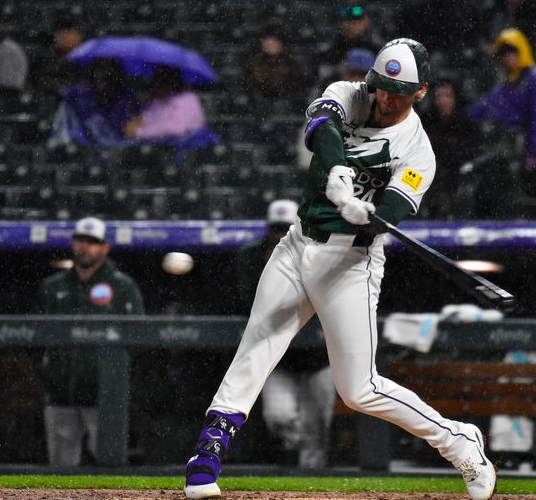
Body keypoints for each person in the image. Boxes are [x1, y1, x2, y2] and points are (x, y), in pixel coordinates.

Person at [183, 38, 496, 500]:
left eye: (400, 91)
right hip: (297, 244)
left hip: (351, 261)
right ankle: (207, 454)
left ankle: (458, 441)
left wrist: (370, 217)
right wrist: (336, 174)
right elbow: (323, 127)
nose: (387, 98)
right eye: (383, 87)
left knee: (359, 390)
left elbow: (393, 210)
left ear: (422, 91)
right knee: (258, 345)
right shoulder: (350, 92)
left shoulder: (419, 152)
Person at [234, 199, 335, 469]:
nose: (280, 235)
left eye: (285, 229)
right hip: (278, 357)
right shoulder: (251, 257)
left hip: (319, 357)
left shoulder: (319, 253)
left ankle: (310, 490)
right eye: (275, 229)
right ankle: (289, 475)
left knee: (317, 431)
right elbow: (247, 301)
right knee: (278, 418)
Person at [37, 217, 145, 466]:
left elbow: (139, 338)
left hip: (105, 395)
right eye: (80, 241)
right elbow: (37, 337)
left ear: (105, 247)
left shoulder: (123, 287)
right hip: (60, 392)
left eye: (92, 242)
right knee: (61, 472)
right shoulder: (53, 287)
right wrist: (48, 371)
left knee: (111, 469)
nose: (84, 247)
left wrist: (115, 378)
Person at [466, 28, 536, 217]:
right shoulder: (507, 85)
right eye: (502, 53)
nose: (507, 57)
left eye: (511, 51)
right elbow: (482, 109)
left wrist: (535, 152)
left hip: (524, 152)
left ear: (522, 50)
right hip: (501, 148)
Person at [47, 57, 140, 148]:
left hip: (110, 148)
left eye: (110, 68)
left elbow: (131, 130)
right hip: (82, 148)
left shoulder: (127, 100)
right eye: (101, 67)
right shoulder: (77, 98)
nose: (106, 72)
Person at [421, 80, 480, 219]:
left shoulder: (465, 123)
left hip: (457, 172)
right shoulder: (425, 120)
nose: (442, 101)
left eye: (447, 96)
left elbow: (472, 150)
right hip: (426, 171)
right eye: (439, 96)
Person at [394, 0, 479, 58]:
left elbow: (474, 35)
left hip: (462, 59)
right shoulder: (424, 9)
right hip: (430, 57)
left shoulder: (468, 10)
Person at [124, 65, 206, 140]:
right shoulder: (156, 102)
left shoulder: (188, 99)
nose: (157, 86)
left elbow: (175, 129)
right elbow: (144, 121)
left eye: (163, 82)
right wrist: (136, 124)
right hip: (156, 147)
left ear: (174, 82)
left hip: (185, 149)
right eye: (155, 81)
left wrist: (139, 132)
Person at [314, 3, 384, 85]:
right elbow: (321, 73)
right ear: (341, 24)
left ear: (367, 21)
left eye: (358, 21)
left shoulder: (378, 47)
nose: (352, 25)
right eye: (348, 21)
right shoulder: (332, 47)